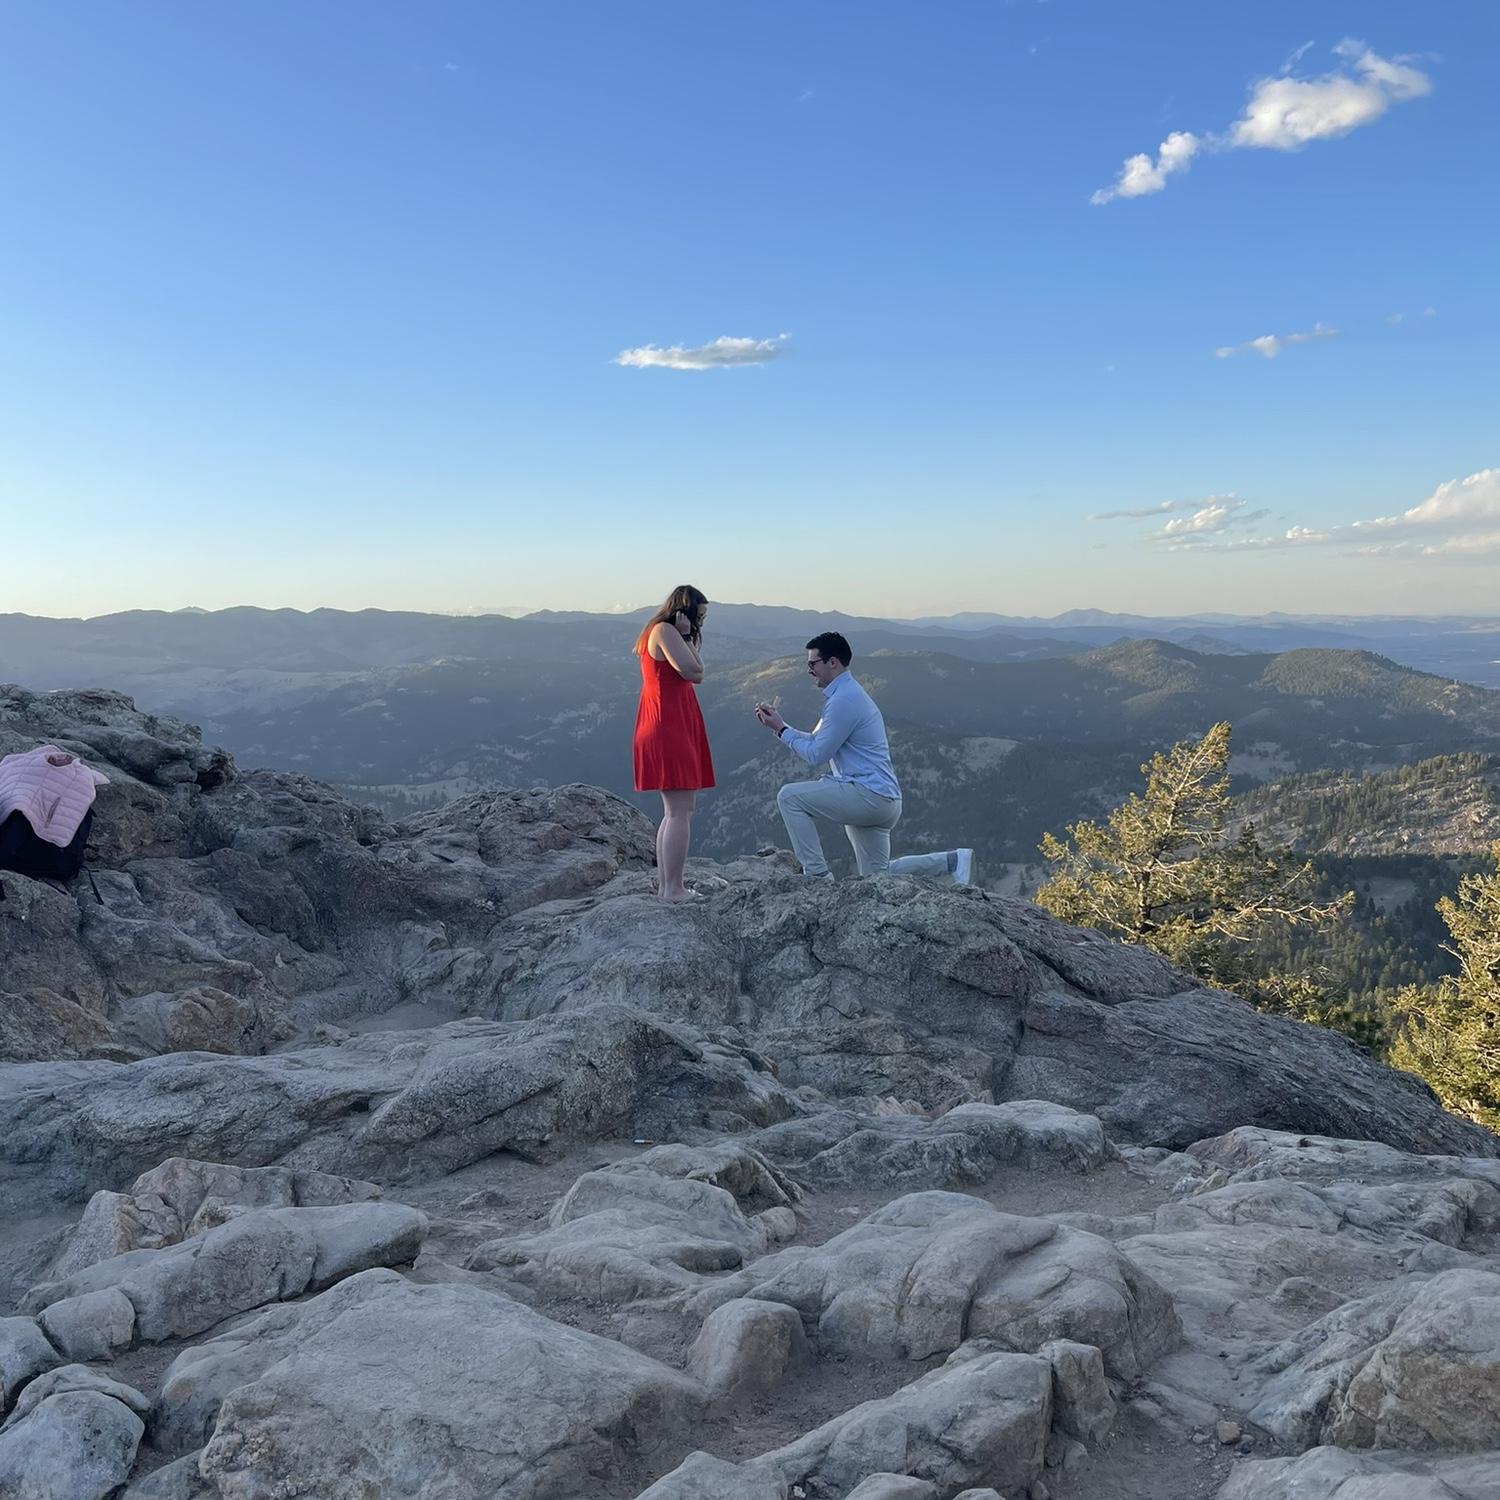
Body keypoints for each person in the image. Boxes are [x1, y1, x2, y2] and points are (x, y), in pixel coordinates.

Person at [755, 631, 973, 884]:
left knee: (789, 798)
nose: (809, 670)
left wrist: (781, 730)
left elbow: (816, 754)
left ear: (832, 662)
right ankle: (952, 861)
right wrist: (780, 727)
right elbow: (816, 741)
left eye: (812, 663)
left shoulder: (843, 700)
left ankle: (816, 876)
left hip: (868, 795)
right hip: (884, 799)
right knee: (877, 877)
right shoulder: (846, 695)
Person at [633, 585, 715, 901]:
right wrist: (683, 636)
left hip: (667, 722)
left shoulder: (661, 631)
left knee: (674, 811)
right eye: (700, 615)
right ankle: (674, 889)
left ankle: (667, 886)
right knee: (681, 811)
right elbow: (695, 672)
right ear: (685, 610)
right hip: (668, 725)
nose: (702, 623)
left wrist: (686, 637)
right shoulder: (666, 632)